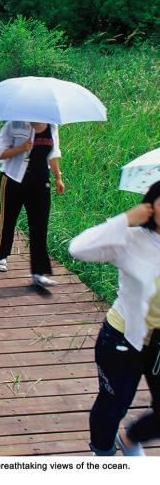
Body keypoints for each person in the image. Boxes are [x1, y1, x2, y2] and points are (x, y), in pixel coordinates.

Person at [69, 181, 160, 456]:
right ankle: (103, 453)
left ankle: (131, 438)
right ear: (150, 206)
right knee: (114, 405)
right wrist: (124, 220)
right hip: (122, 339)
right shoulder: (131, 239)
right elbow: (78, 248)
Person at [0, 121, 64, 287]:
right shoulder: (13, 125)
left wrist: (58, 177)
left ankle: (39, 272)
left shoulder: (52, 126)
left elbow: (53, 153)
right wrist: (21, 148)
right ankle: (2, 255)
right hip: (12, 179)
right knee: (8, 219)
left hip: (40, 182)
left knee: (40, 226)